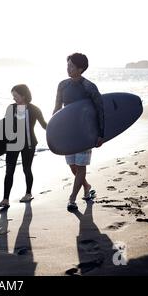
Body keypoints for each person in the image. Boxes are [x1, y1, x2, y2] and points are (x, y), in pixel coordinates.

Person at [52, 53, 105, 212]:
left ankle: (72, 199)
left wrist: (101, 134)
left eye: (72, 66)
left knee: (81, 166)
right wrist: (52, 129)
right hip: (68, 132)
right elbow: (57, 108)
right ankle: (87, 186)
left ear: (81, 69)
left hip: (85, 132)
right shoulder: (62, 85)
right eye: (67, 65)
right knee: (73, 166)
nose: (68, 68)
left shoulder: (89, 86)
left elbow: (100, 110)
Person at [0, 84, 47, 208]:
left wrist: (58, 130)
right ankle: (5, 200)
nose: (13, 98)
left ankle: (28, 193)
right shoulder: (11, 108)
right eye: (13, 96)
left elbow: (45, 126)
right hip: (13, 143)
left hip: (28, 144)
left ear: (23, 96)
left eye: (15, 96)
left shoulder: (34, 109)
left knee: (26, 169)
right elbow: (5, 126)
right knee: (9, 171)